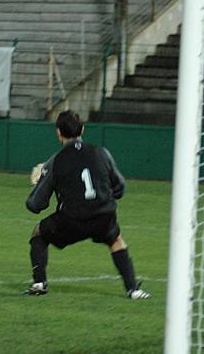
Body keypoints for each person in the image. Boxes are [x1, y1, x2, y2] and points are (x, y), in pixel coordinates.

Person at [24, 110, 151, 299]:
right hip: (102, 215)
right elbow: (120, 188)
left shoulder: (55, 161)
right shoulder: (101, 152)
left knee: (38, 233)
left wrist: (39, 181)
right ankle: (133, 289)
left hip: (71, 220)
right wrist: (104, 198)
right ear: (83, 129)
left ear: (58, 132)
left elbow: (35, 205)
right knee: (116, 240)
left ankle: (39, 283)